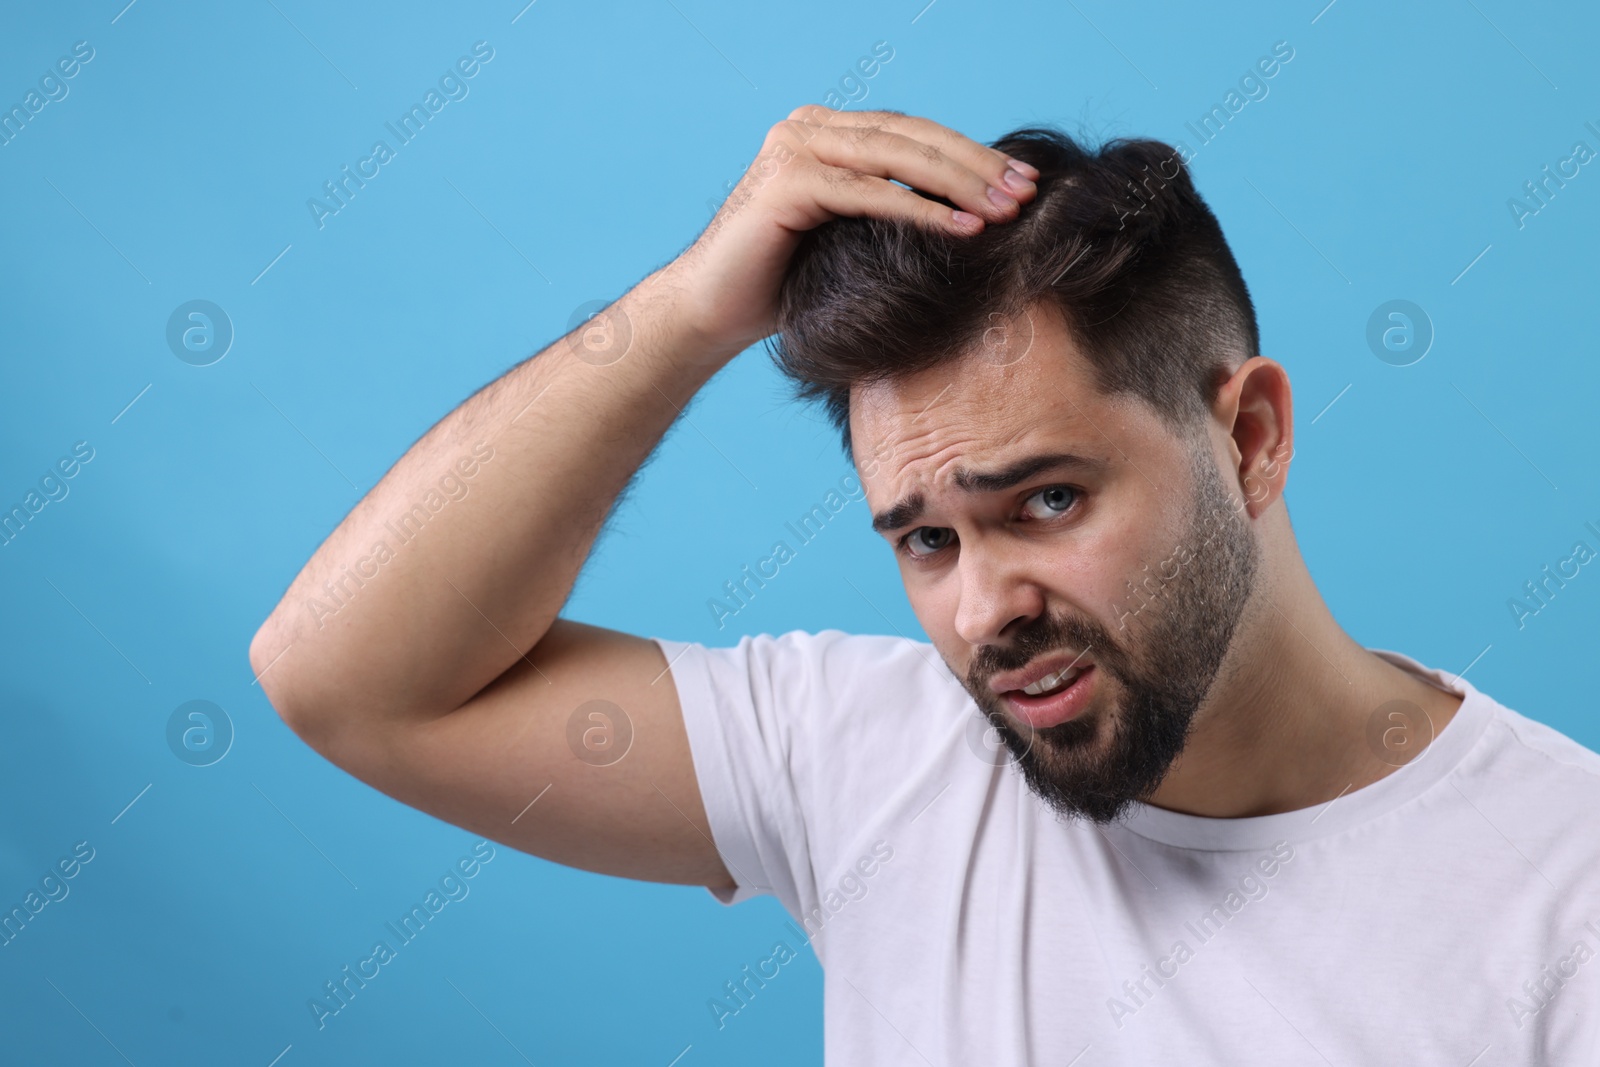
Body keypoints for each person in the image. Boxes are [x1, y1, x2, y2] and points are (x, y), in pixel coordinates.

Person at [250, 107, 1600, 1062]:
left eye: (1050, 501)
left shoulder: (1563, 897)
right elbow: (351, 683)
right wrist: (688, 310)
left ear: (1248, 439)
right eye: (927, 541)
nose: (984, 612)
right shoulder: (868, 758)